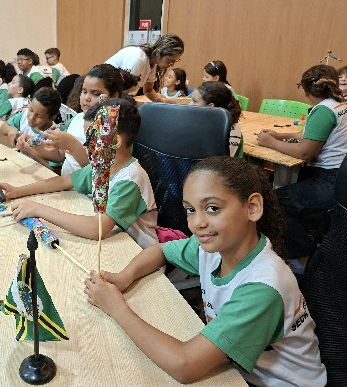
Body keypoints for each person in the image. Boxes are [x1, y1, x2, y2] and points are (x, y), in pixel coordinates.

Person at [84, 156, 327, 386]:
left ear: (252, 207)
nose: (197, 223)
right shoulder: (214, 247)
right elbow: (161, 250)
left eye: (212, 208)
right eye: (190, 209)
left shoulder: (263, 288)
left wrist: (115, 307)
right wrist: (125, 276)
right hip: (239, 371)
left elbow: (184, 366)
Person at [4, 98, 159, 249]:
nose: (86, 144)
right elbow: (64, 181)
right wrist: (17, 191)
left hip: (136, 250)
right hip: (113, 241)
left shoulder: (130, 179)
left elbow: (96, 229)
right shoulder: (103, 165)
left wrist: (37, 209)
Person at [257, 65, 347, 272]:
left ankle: (302, 256)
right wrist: (279, 136)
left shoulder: (323, 111)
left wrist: (270, 142)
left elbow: (306, 152)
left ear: (307, 91)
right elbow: (313, 134)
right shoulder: (339, 105)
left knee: (275, 201)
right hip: (340, 174)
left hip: (331, 179)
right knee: (291, 187)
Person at [31, 64, 125, 175]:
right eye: (84, 91)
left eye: (96, 94)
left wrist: (73, 145)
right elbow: (61, 155)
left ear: (114, 97)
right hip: (67, 182)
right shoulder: (77, 118)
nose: (86, 98)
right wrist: (34, 146)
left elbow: (100, 173)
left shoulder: (116, 129)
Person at [105, 33, 184, 102]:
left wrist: (164, 102)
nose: (172, 64)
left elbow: (148, 91)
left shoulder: (153, 64)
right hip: (107, 93)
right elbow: (121, 93)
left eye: (175, 61)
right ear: (158, 53)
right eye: (171, 60)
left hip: (118, 95)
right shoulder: (138, 59)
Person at [190, 81, 244, 157]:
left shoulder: (230, 130)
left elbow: (219, 161)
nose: (189, 104)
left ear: (210, 107)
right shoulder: (200, 122)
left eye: (194, 101)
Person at [0, 86, 61, 151]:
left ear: (52, 118)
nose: (31, 117)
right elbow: (3, 126)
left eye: (39, 116)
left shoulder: (53, 136)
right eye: (31, 110)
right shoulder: (23, 116)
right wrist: (10, 129)